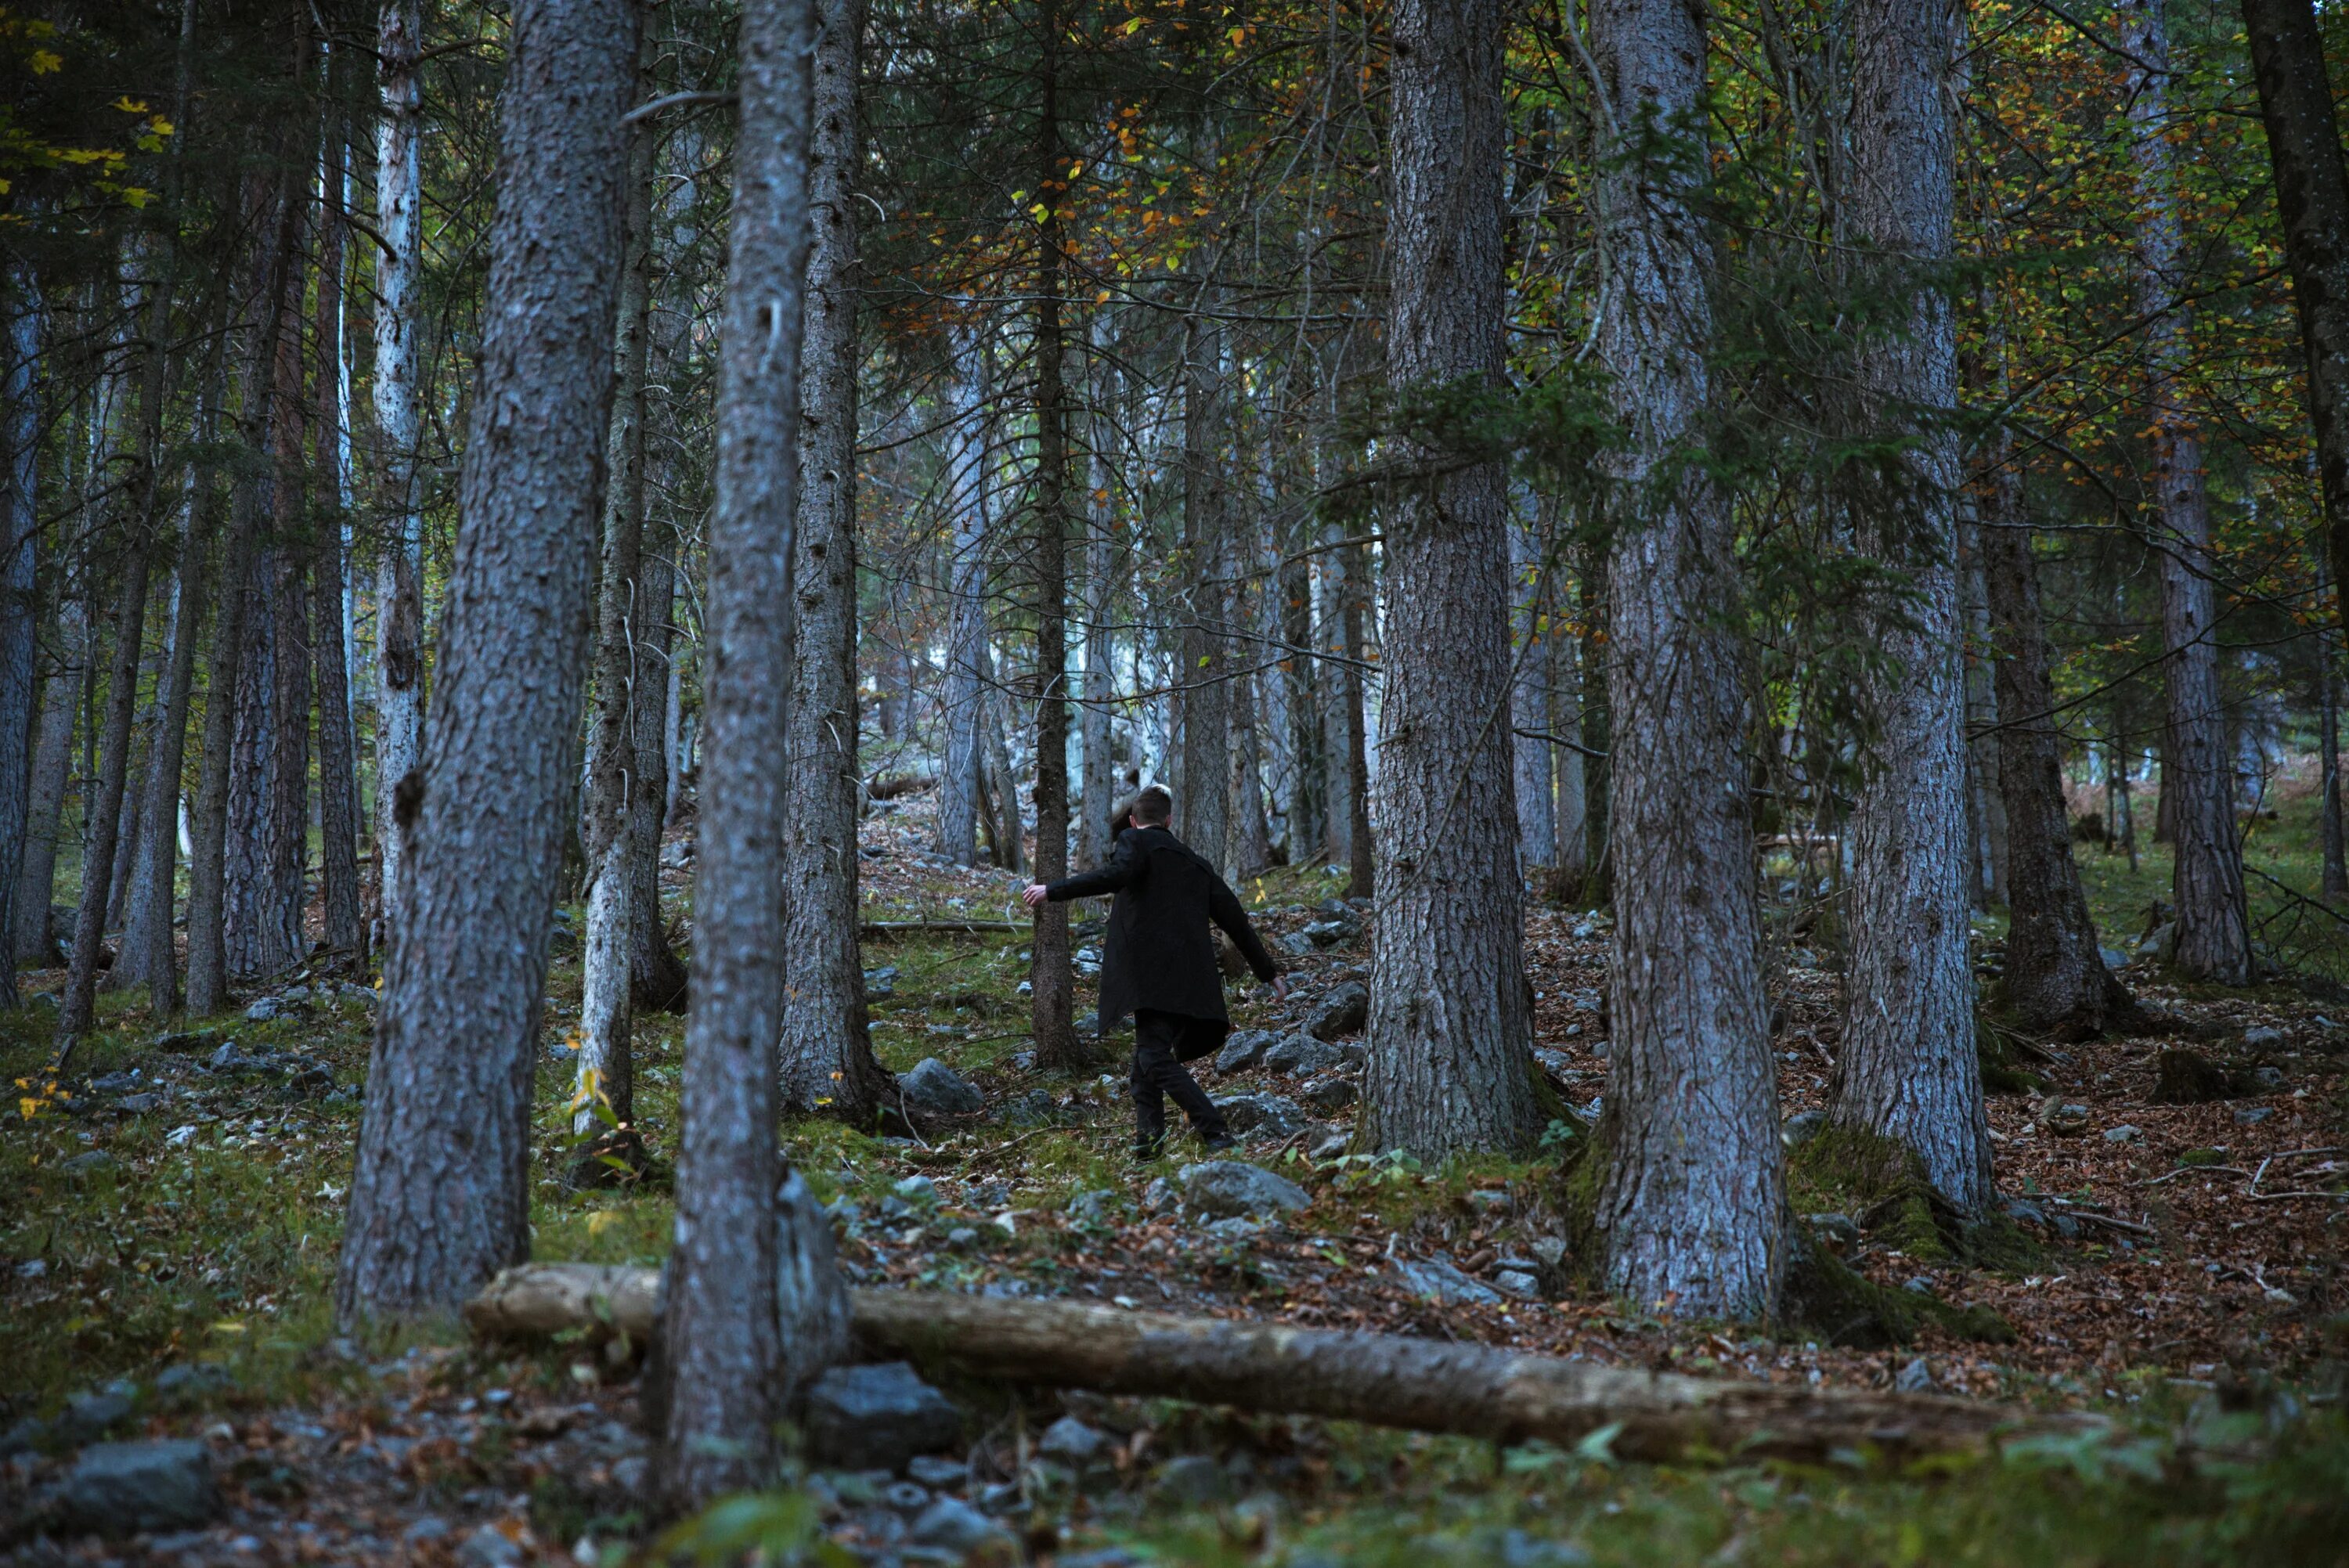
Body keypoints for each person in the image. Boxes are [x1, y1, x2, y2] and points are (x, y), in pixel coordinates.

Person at [1023, 783, 1286, 1159]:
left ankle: (1216, 1132)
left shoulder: (1134, 842)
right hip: (1191, 980)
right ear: (1168, 820)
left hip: (1150, 977)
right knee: (1143, 1066)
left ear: (1133, 821)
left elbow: (1114, 876)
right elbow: (1235, 920)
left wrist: (1052, 890)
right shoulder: (1196, 862)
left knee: (1153, 1058)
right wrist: (1268, 973)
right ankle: (1149, 1151)